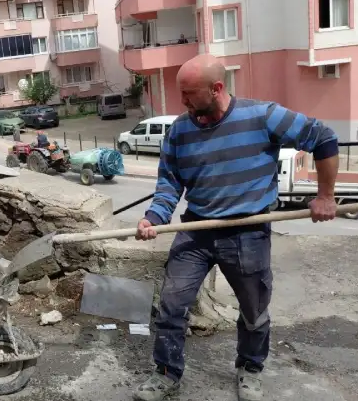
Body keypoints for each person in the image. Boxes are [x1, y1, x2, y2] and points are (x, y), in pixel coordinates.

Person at [132, 54, 339, 401]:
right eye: (181, 93)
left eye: (189, 93)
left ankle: (250, 369)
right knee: (171, 304)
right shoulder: (180, 130)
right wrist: (154, 217)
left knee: (254, 310)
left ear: (216, 88)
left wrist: (326, 196)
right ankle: (166, 373)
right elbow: (169, 183)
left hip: (248, 231)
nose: (182, 102)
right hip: (197, 229)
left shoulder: (263, 116)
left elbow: (323, 137)